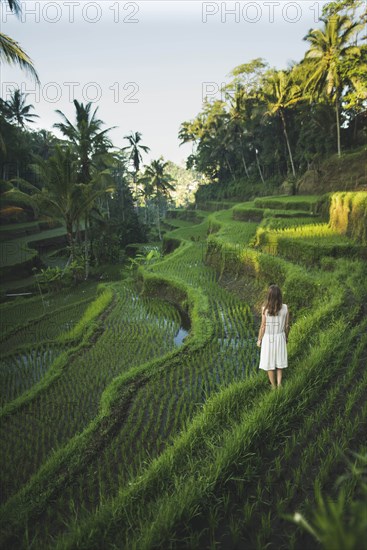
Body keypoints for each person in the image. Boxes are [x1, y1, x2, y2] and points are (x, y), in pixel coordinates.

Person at [257, 284, 289, 389]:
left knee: (269, 362)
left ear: (269, 296)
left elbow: (263, 326)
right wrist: (286, 337)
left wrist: (259, 339)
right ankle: (280, 385)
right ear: (279, 295)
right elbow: (287, 326)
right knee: (280, 361)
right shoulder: (285, 308)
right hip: (280, 337)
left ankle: (274, 386)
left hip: (268, 338)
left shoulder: (265, 309)